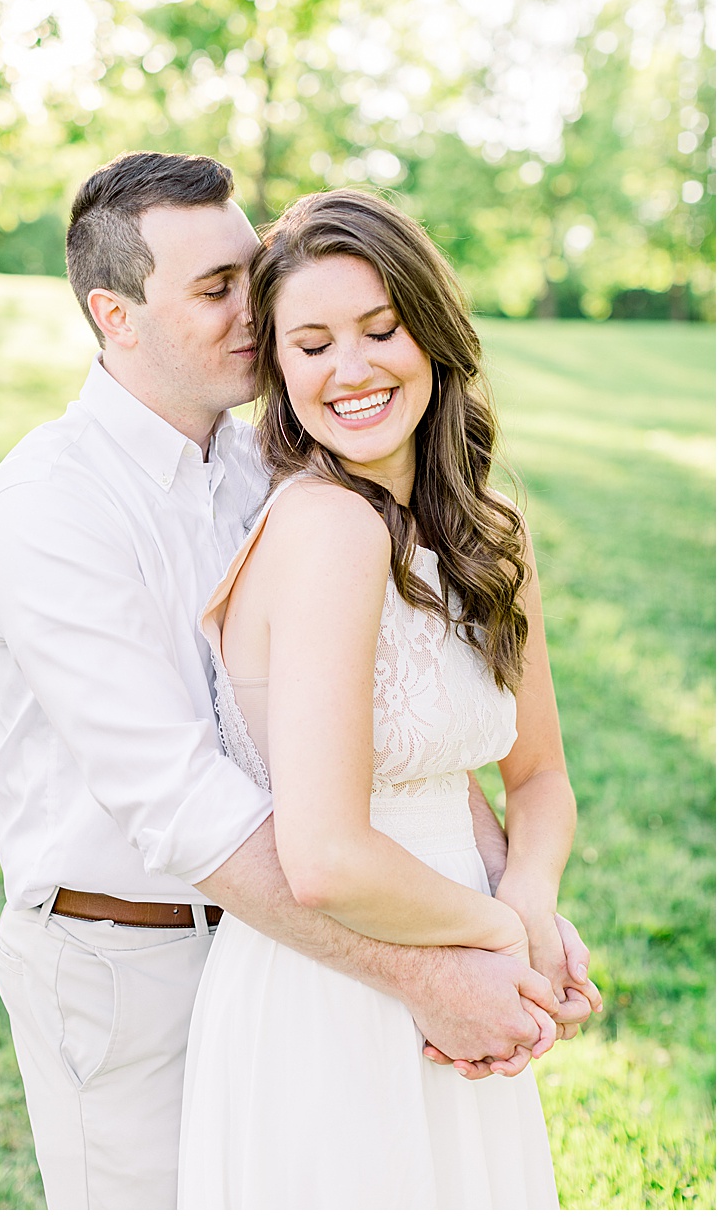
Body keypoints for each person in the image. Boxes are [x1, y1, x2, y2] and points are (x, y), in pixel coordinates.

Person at [0, 151, 601, 1208]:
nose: (253, 315)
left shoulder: (280, 465)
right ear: (115, 316)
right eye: (216, 291)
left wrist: (517, 903)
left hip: (320, 936)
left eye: (251, 276)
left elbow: (403, 729)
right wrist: (444, 965)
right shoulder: (49, 508)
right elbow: (185, 805)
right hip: (133, 955)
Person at [176, 189, 577, 1206]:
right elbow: (324, 856)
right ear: (280, 371)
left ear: (431, 335)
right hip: (338, 997)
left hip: (467, 966)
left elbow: (536, 777)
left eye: (379, 329)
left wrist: (529, 898)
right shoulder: (326, 529)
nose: (349, 370)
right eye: (309, 345)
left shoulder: (487, 532)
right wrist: (496, 944)